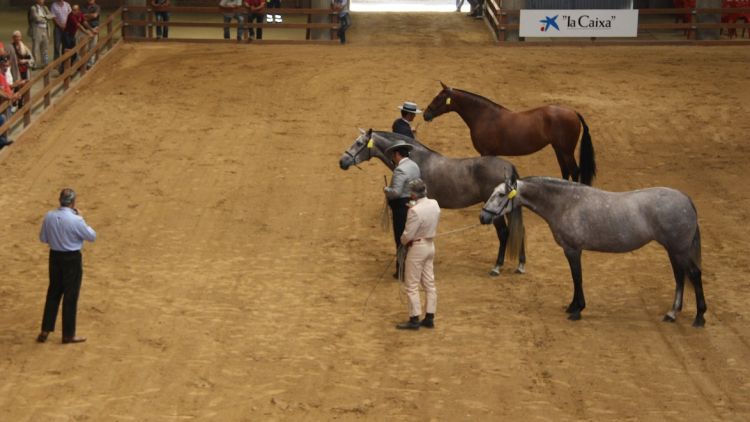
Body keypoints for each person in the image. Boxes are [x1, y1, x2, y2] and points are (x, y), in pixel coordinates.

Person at [37, 188, 96, 344]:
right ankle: (68, 335)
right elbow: (91, 236)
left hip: (55, 258)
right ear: (73, 203)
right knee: (70, 296)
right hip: (71, 259)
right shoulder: (76, 220)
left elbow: (43, 238)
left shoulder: (49, 216)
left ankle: (45, 330)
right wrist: (81, 217)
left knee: (53, 292)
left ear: (59, 200)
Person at [396, 179, 441, 330]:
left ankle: (414, 319)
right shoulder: (434, 204)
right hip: (430, 245)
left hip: (417, 248)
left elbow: (408, 235)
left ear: (414, 195)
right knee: (429, 283)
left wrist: (402, 242)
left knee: (412, 284)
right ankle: (429, 316)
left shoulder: (414, 211)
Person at [383, 140, 421, 279]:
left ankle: (402, 270)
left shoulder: (400, 169)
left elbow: (396, 192)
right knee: (413, 237)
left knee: (401, 238)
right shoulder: (414, 166)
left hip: (401, 208)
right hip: (413, 203)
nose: (393, 158)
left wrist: (386, 190)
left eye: (394, 155)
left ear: (398, 154)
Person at [60, 4, 97, 72]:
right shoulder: (71, 16)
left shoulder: (80, 14)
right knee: (67, 52)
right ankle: (63, 69)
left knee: (74, 53)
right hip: (66, 35)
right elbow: (79, 25)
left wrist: (92, 30)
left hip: (72, 35)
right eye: (72, 10)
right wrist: (87, 32)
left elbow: (84, 22)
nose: (73, 11)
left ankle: (72, 68)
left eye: (75, 10)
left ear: (78, 10)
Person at [0, 55, 21, 149]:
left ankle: (4, 141)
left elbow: (6, 88)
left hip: (5, 105)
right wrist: (12, 96)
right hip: (3, 106)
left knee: (4, 120)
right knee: (3, 119)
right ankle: (4, 142)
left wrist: (14, 86)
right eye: (4, 65)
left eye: (7, 66)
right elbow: (1, 92)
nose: (6, 68)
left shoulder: (3, 76)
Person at [29, 0, 53, 69]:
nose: (42, 1)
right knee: (35, 47)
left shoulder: (45, 8)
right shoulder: (33, 8)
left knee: (45, 47)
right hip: (37, 29)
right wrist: (46, 18)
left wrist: (44, 17)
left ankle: (44, 63)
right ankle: (35, 63)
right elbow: (37, 18)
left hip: (45, 29)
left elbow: (51, 16)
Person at [82, 0, 100, 66]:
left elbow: (95, 16)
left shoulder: (97, 7)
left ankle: (90, 63)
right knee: (84, 47)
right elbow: (82, 17)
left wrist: (86, 16)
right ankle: (83, 63)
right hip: (85, 29)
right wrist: (90, 16)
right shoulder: (83, 6)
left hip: (94, 28)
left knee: (92, 46)